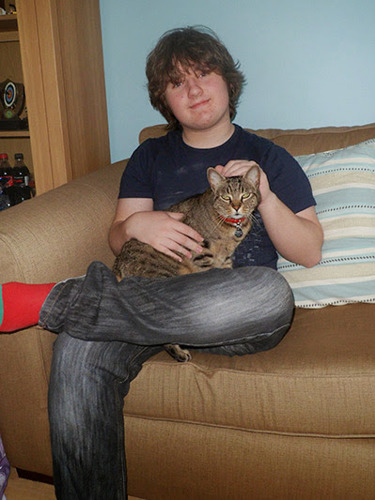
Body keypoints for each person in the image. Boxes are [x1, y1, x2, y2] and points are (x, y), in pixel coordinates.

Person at [0, 26, 323, 499]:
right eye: (177, 83)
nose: (193, 89)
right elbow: (117, 236)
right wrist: (135, 226)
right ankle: (77, 310)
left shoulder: (268, 156)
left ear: (227, 82)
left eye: (204, 73)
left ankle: (59, 299)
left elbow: (310, 252)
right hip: (150, 304)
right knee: (76, 348)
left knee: (270, 293)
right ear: (163, 100)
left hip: (231, 312)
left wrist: (267, 198)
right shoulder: (151, 155)